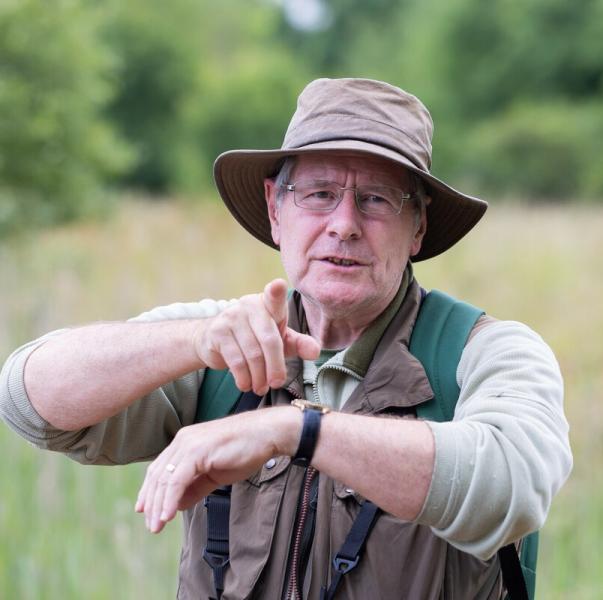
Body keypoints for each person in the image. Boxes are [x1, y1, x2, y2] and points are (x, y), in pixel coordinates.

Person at [0, 78, 572, 599]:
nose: (344, 223)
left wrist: (291, 430)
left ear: (417, 225)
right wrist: (196, 341)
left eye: (375, 199)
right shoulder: (219, 343)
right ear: (276, 210)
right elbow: (30, 402)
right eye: (319, 194)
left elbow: (512, 487)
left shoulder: (484, 353)